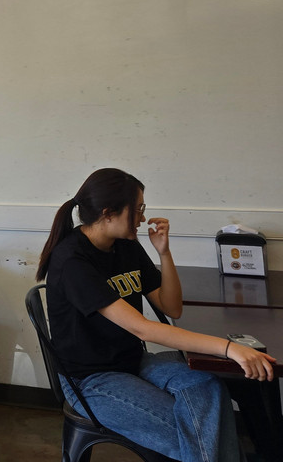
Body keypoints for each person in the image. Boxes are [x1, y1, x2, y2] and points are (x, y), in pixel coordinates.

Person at [36, 167, 276, 462]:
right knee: (200, 432)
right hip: (91, 380)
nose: (142, 217)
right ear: (108, 213)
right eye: (137, 209)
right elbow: (143, 329)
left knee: (207, 386)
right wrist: (229, 348)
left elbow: (171, 307)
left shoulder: (125, 245)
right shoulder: (73, 260)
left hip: (133, 361)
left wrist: (164, 252)